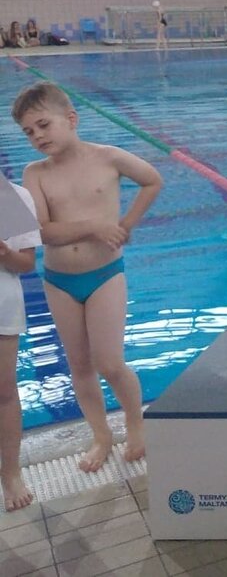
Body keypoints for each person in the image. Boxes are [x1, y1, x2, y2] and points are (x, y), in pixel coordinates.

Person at [13, 82, 163, 472]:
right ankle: (101, 435)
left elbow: (152, 180)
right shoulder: (35, 173)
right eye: (28, 132)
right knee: (79, 366)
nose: (37, 136)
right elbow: (42, 232)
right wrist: (96, 225)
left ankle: (135, 423)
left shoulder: (108, 158)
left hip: (105, 275)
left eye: (43, 125)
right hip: (59, 280)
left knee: (110, 363)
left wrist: (127, 223)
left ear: (71, 119)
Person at [0, 178, 39, 511]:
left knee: (4, 391)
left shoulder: (9, 195)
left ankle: (10, 473)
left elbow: (26, 263)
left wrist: (5, 252)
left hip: (2, 306)